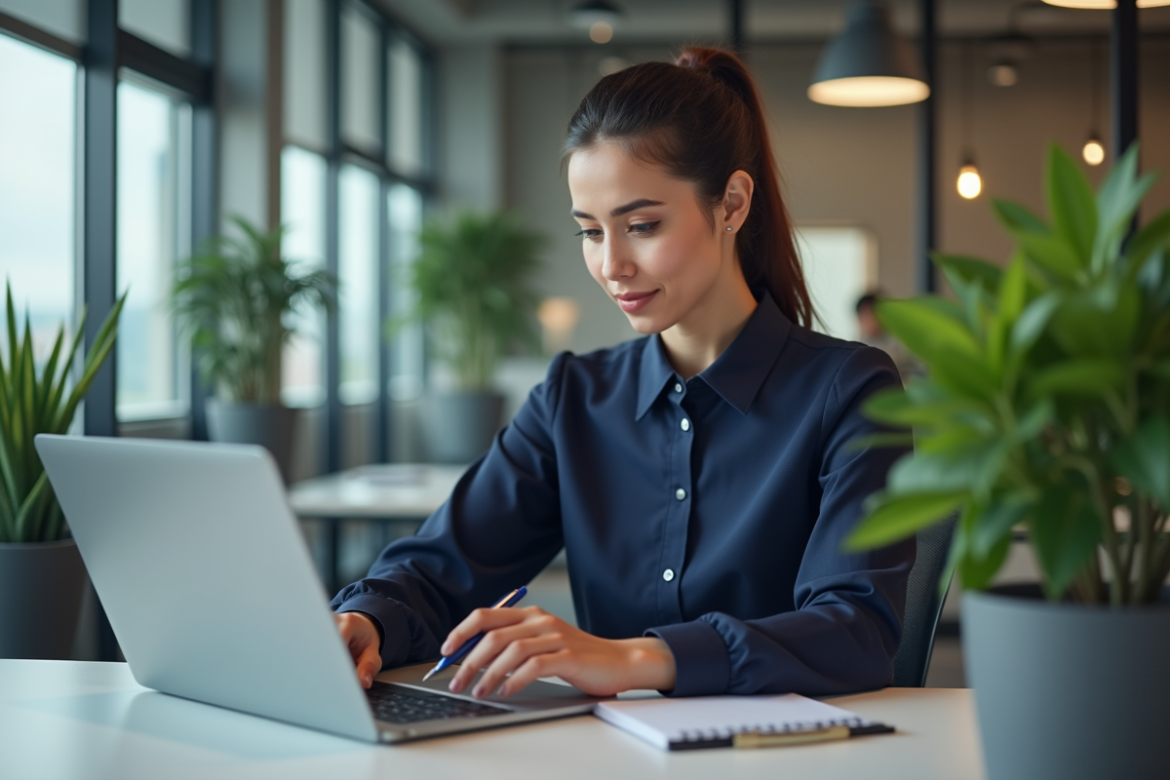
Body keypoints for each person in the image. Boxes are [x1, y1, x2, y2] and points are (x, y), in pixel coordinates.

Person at [331, 47, 914, 701]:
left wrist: (633, 659)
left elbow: (855, 632)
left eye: (641, 225)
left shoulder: (850, 391)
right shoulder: (573, 398)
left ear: (732, 203)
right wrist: (368, 618)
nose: (612, 265)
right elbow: (444, 566)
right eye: (590, 232)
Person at [856, 291, 920, 382]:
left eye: (871, 314)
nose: (868, 320)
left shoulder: (901, 340)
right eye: (863, 315)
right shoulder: (857, 347)